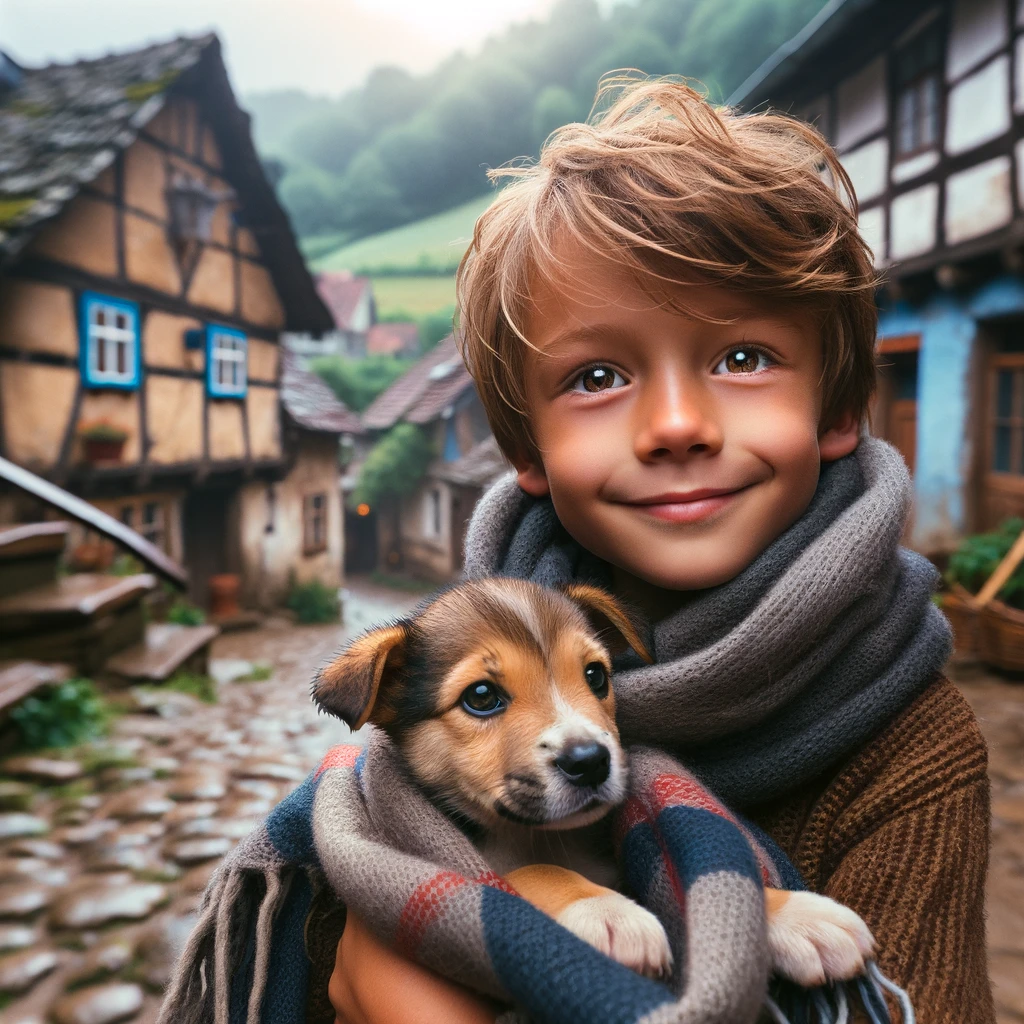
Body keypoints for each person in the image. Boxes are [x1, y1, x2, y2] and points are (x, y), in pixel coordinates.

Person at [329, 77, 993, 1024]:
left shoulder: (908, 747)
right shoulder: (432, 716)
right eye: (597, 376)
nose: (677, 425)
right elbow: (332, 936)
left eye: (743, 357)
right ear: (528, 450)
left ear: (838, 408)